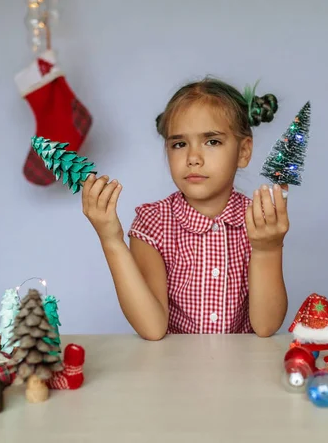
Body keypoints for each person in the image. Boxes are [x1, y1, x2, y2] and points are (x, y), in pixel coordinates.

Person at [82, 77, 290, 340]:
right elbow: (153, 328)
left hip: (243, 373)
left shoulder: (258, 221)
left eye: (212, 141)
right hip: (173, 373)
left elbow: (266, 326)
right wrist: (111, 240)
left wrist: (267, 249)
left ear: (243, 151)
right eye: (179, 144)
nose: (193, 158)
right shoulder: (152, 223)